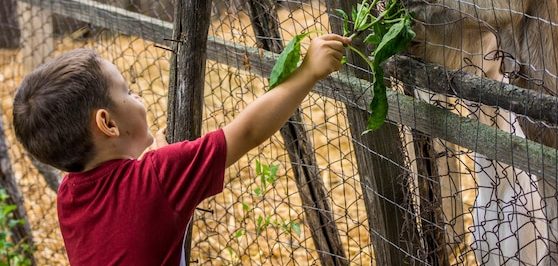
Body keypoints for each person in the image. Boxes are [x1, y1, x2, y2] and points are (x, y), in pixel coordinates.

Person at [12, 33, 350, 266]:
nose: (137, 97)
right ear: (108, 124)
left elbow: (124, 209)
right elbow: (246, 132)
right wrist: (307, 72)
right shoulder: (160, 176)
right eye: (127, 92)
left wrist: (151, 166)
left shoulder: (69, 195)